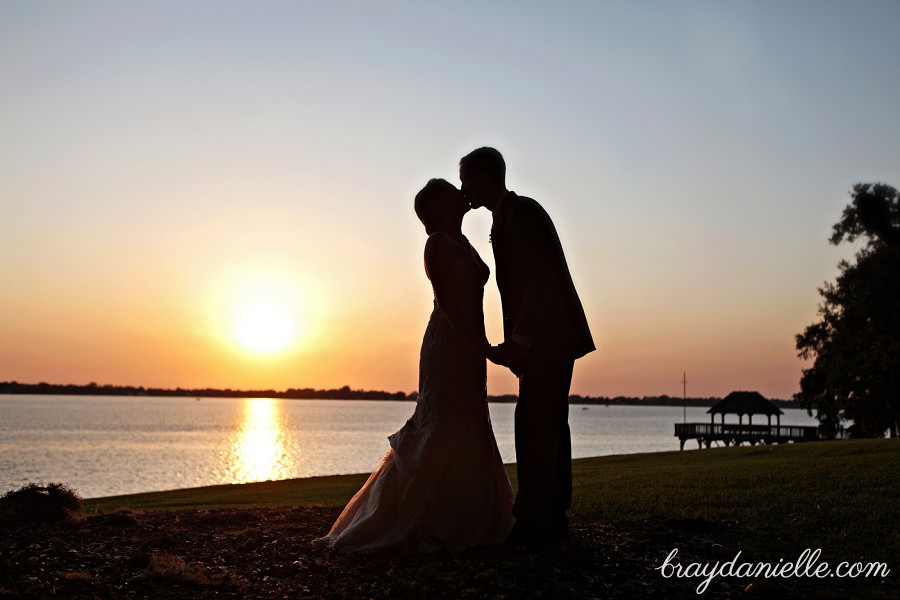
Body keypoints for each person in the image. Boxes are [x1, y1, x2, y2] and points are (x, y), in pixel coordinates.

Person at [316, 178, 513, 554]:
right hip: (451, 344)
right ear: (438, 206)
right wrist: (481, 346)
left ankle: (463, 516)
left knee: (468, 420)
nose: (462, 192)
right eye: (453, 191)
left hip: (470, 344)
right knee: (440, 422)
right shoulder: (437, 243)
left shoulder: (461, 240)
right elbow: (450, 306)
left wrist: (482, 347)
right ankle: (415, 518)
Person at [459, 147, 595, 549]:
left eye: (466, 179)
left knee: (537, 423)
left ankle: (537, 522)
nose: (463, 187)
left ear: (485, 176)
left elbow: (541, 278)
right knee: (545, 422)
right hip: (543, 338)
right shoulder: (508, 216)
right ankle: (549, 518)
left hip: (550, 338)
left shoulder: (523, 213)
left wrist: (521, 340)